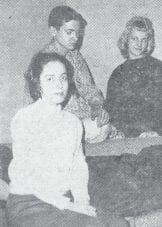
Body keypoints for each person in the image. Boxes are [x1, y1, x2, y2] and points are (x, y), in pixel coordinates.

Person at [7, 53, 129, 227]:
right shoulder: (25, 118)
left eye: (63, 78)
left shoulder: (73, 122)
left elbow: (78, 168)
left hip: (61, 202)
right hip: (28, 203)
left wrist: (81, 202)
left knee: (120, 224)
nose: (59, 85)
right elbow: (28, 177)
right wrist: (70, 206)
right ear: (37, 82)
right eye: (50, 79)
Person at [24, 5, 110, 143]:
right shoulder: (42, 61)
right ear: (53, 31)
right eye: (69, 32)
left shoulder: (74, 55)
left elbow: (89, 89)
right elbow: (34, 104)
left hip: (82, 119)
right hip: (57, 123)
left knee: (106, 126)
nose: (75, 38)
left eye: (77, 32)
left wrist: (97, 108)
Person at [105, 16, 162, 138]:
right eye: (134, 38)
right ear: (126, 39)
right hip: (126, 138)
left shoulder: (158, 67)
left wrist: (158, 130)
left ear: (149, 42)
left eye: (144, 40)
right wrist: (124, 133)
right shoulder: (117, 73)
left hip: (152, 134)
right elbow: (112, 110)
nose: (139, 44)